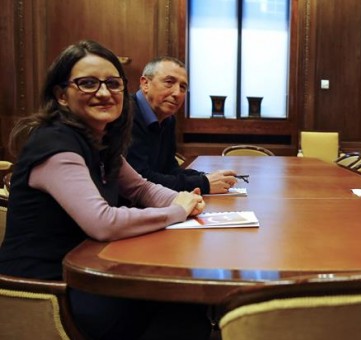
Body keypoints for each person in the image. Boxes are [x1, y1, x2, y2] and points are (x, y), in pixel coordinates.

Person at [0, 40, 211, 339]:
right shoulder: (55, 145)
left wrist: (189, 201)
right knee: (181, 310)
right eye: (87, 83)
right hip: (45, 291)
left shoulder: (100, 140)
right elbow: (102, 222)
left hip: (88, 274)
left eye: (112, 83)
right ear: (61, 95)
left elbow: (141, 188)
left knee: (185, 307)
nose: (103, 92)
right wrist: (177, 210)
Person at [126, 56, 237, 194]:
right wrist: (204, 183)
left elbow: (169, 169)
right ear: (145, 84)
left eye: (183, 87)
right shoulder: (126, 114)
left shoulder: (168, 119)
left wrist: (206, 176)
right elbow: (140, 179)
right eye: (169, 82)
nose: (177, 93)